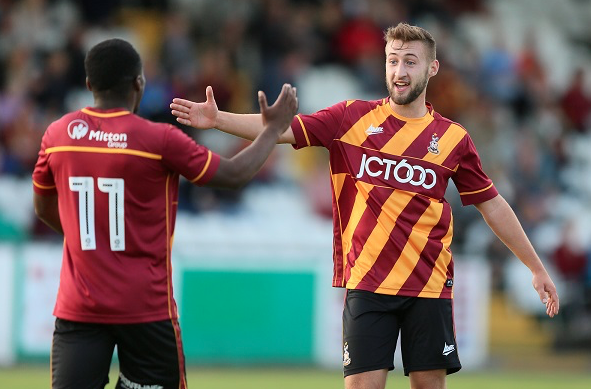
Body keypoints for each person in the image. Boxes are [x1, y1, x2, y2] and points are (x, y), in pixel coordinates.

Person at [170, 23, 560, 389]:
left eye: (410, 61)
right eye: (393, 60)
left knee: (428, 385)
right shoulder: (350, 118)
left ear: (432, 67)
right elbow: (282, 130)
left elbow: (491, 205)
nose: (400, 71)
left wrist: (536, 266)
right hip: (368, 282)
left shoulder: (453, 138)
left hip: (429, 286)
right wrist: (218, 118)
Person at [32, 38, 298, 389]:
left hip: (78, 309)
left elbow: (43, 206)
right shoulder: (158, 139)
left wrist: (89, 240)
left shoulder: (59, 134)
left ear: (88, 85)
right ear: (138, 84)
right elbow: (232, 176)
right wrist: (273, 130)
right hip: (146, 309)